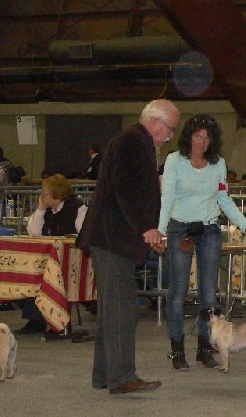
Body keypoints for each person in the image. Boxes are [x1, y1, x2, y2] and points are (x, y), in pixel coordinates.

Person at [77, 98, 180, 395]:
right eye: (170, 129)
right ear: (155, 122)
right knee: (121, 310)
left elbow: (132, 189)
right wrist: (145, 228)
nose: (171, 136)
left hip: (112, 238)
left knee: (112, 309)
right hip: (112, 239)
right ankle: (122, 377)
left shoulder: (134, 141)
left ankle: (104, 374)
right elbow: (125, 189)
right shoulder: (133, 141)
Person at [158, 114, 246, 371]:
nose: (202, 143)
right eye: (198, 137)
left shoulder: (218, 164)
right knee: (178, 291)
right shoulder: (174, 161)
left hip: (210, 229)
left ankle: (205, 347)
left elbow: (224, 200)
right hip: (180, 227)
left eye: (207, 138)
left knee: (208, 292)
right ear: (188, 137)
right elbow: (167, 198)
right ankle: (177, 349)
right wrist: (160, 231)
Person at [14, 174, 89, 336]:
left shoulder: (78, 208)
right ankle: (36, 320)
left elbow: (83, 234)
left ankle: (60, 323)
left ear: (57, 193)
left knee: (53, 274)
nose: (42, 196)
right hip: (49, 259)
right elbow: (34, 233)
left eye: (45, 193)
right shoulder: (47, 210)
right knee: (31, 271)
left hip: (72, 260)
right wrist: (40, 210)